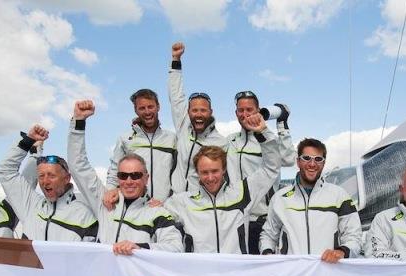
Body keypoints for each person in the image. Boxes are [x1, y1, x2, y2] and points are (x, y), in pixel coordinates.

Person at [67, 100, 183, 254]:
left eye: (135, 176)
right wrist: (79, 122)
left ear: (145, 178)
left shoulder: (157, 212)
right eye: (123, 175)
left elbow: (176, 247)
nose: (129, 181)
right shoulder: (105, 204)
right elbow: (77, 165)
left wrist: (140, 247)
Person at [163, 112, 280, 254]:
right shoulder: (183, 202)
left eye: (214, 171)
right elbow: (156, 219)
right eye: (204, 172)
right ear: (197, 173)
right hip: (200, 274)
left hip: (235, 273)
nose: (210, 177)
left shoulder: (242, 193)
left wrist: (263, 132)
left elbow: (271, 168)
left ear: (223, 169)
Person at [259, 138, 363, 263]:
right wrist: (267, 254)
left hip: (328, 273)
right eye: (306, 158)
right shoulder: (280, 198)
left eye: (318, 159)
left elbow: (354, 236)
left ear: (324, 163)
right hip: (291, 275)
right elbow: (268, 235)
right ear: (298, 162)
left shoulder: (339, 196)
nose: (312, 164)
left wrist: (342, 251)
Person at [0, 125, 98, 242]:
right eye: (41, 176)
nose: (45, 181)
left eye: (51, 175)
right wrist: (28, 140)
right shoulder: (30, 205)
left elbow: (90, 258)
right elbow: (5, 171)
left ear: (67, 178)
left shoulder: (85, 216)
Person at [227, 91, 296, 254]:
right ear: (236, 113)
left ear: (258, 111)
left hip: (261, 220)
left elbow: (289, 159)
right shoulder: (230, 140)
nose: (245, 114)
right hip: (235, 220)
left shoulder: (268, 138)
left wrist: (281, 124)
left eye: (249, 110)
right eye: (241, 110)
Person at [168, 42, 227, 194]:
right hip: (176, 199)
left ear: (211, 112)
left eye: (203, 110)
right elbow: (176, 97)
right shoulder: (183, 127)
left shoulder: (222, 143)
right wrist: (175, 60)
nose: (199, 114)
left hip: (201, 205)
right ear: (188, 112)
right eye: (194, 110)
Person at [105, 89, 177, 202]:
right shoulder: (124, 139)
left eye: (150, 107)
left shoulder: (172, 139)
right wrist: (110, 190)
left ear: (158, 107)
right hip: (135, 208)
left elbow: (179, 173)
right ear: (136, 110)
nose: (147, 112)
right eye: (142, 108)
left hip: (164, 207)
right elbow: (115, 171)